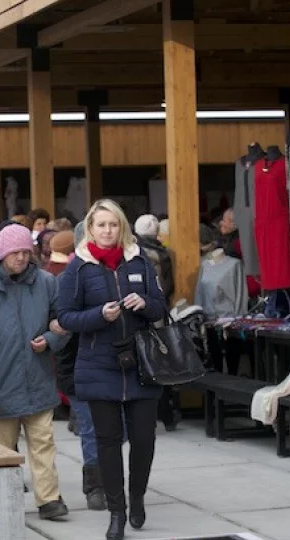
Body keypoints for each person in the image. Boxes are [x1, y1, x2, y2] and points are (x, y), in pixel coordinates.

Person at [57, 199, 168, 540]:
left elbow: (161, 305)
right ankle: (116, 512)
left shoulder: (140, 261)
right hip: (98, 364)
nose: (107, 231)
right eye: (101, 225)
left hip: (141, 364)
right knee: (107, 442)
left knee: (144, 441)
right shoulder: (78, 268)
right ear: (90, 229)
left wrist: (145, 304)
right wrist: (98, 316)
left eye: (113, 224)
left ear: (122, 227)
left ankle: (137, 498)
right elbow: (65, 317)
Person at [0, 224, 71, 521]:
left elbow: (63, 323)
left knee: (43, 444)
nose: (22, 258)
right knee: (0, 450)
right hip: (2, 384)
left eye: (27, 251)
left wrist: (50, 341)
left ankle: (49, 499)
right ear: (2, 253)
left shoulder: (47, 283)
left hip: (38, 378)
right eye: (16, 252)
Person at [45, 227, 106, 511]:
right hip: (78, 363)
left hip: (111, 362)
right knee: (91, 428)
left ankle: (109, 481)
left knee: (111, 428)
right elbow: (58, 324)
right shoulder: (65, 278)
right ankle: (96, 485)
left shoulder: (113, 272)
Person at [134, 214, 180, 431]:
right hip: (158, 314)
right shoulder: (164, 254)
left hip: (136, 313)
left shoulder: (133, 253)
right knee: (161, 362)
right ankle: (167, 414)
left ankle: (147, 416)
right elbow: (169, 286)